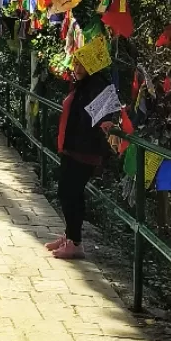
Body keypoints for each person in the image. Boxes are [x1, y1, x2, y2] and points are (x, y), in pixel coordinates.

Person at [46, 58, 114, 260]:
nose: (76, 68)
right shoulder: (83, 84)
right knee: (70, 194)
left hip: (84, 149)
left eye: (81, 64)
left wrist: (107, 124)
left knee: (69, 194)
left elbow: (107, 113)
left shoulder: (99, 84)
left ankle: (75, 243)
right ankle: (70, 236)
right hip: (72, 147)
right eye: (75, 64)